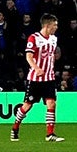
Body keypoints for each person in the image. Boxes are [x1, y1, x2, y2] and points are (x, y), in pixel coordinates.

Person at [9, 12, 64, 142]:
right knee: (27, 105)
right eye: (54, 25)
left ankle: (50, 134)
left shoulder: (53, 39)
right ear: (47, 25)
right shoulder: (34, 38)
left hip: (49, 78)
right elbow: (28, 56)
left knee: (52, 103)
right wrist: (37, 68)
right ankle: (15, 127)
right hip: (35, 79)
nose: (56, 27)